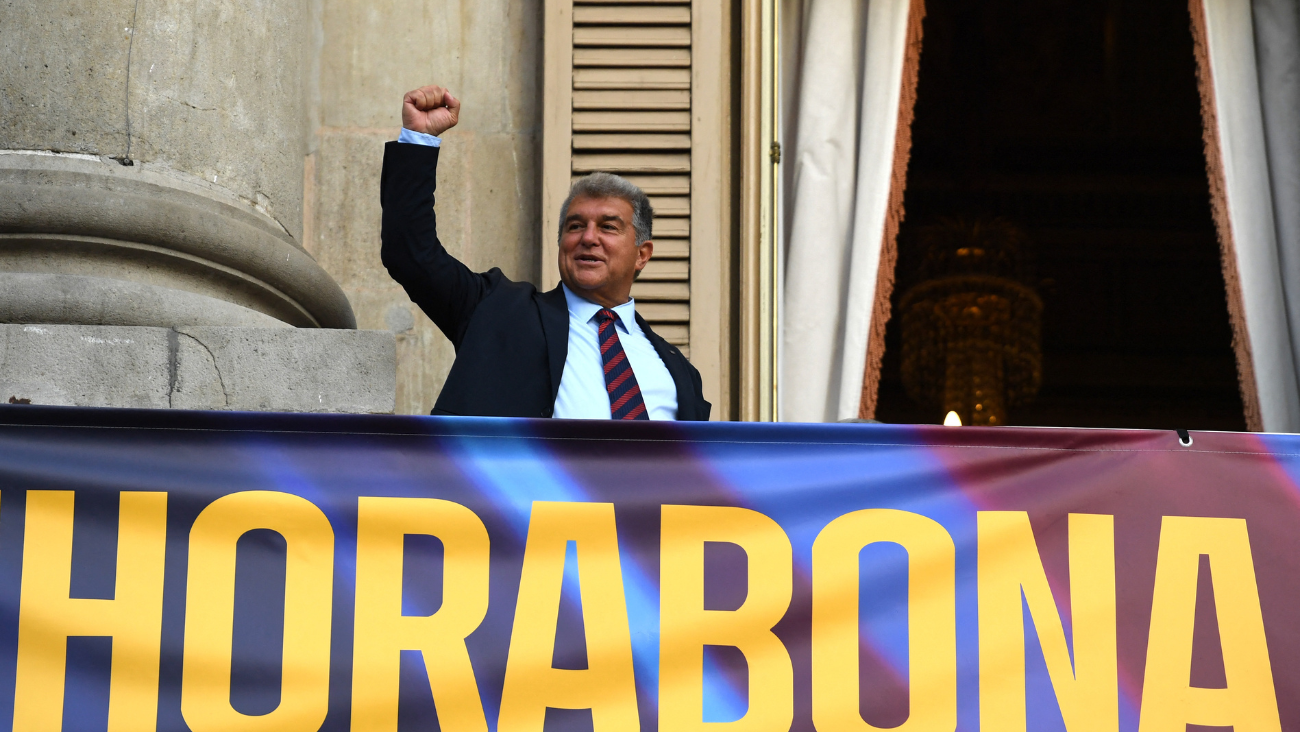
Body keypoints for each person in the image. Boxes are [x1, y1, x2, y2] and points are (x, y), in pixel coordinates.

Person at [380, 84, 711, 420]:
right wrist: (419, 139)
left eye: (608, 227)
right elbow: (411, 254)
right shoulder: (498, 310)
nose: (588, 238)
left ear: (642, 254)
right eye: (575, 226)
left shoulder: (678, 373)